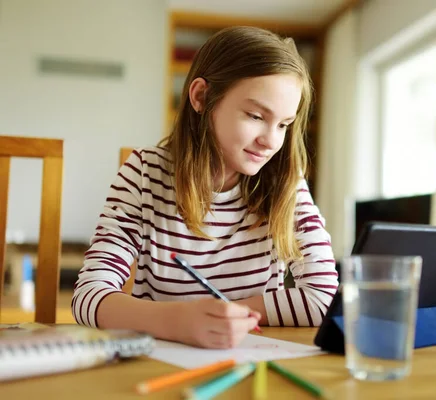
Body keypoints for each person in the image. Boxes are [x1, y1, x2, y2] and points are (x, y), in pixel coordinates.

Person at [71, 26, 339, 349]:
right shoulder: (144, 175)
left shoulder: (286, 183)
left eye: (283, 124)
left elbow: (323, 298)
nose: (271, 141)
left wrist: (229, 315)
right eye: (256, 116)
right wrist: (179, 321)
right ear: (201, 97)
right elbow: (89, 296)